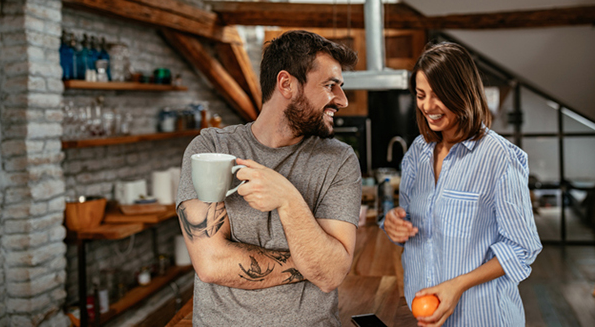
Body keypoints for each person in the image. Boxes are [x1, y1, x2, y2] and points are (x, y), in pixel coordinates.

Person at [175, 30, 362, 326]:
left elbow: (331, 275)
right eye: (330, 86)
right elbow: (211, 263)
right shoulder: (211, 149)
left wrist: (288, 200)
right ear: (286, 84)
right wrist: (309, 261)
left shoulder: (339, 160)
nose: (342, 100)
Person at [382, 42, 542, 327]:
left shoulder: (499, 157)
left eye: (439, 96)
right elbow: (412, 223)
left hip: (482, 317)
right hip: (425, 316)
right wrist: (394, 223)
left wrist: (458, 285)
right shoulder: (417, 154)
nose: (428, 106)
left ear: (462, 94)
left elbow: (522, 248)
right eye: (421, 95)